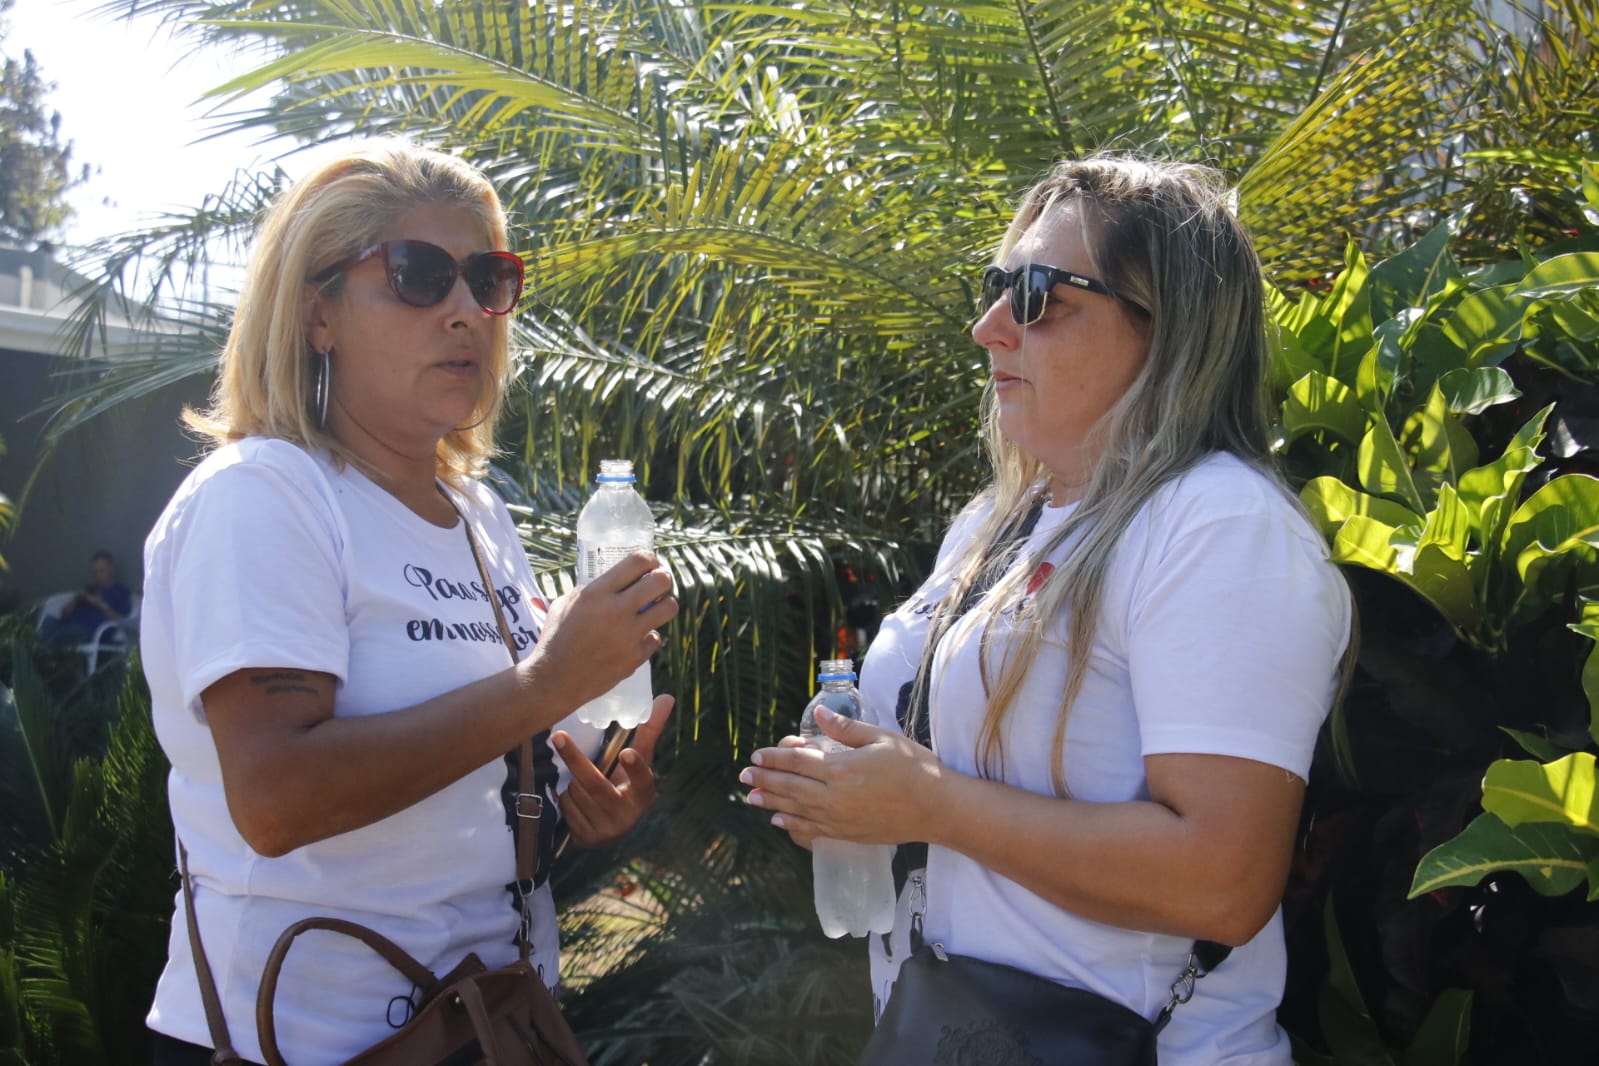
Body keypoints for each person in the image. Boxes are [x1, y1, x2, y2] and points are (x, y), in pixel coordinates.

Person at [740, 157, 1353, 1065]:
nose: (989, 326)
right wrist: (855, 791)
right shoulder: (998, 521)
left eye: (1038, 296)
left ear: (1167, 328)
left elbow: (1222, 882)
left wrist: (933, 805)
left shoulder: (1220, 526)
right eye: (996, 287)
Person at [141, 140, 678, 1066]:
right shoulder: (264, 493)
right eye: (419, 275)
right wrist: (548, 681)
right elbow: (276, 801)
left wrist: (571, 803)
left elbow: (466, 773)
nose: (466, 310)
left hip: (485, 1024)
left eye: (488, 278)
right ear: (318, 312)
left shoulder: (480, 515)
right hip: (302, 1041)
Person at [42, 549, 133, 646]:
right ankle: (42, 648)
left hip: (91, 632)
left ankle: (44, 649)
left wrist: (100, 604)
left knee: (64, 634)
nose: (98, 575)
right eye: (95, 572)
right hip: (68, 626)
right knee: (49, 622)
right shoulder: (89, 590)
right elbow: (63, 616)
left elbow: (120, 620)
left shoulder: (120, 592)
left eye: (101, 571)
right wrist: (75, 599)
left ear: (111, 569)